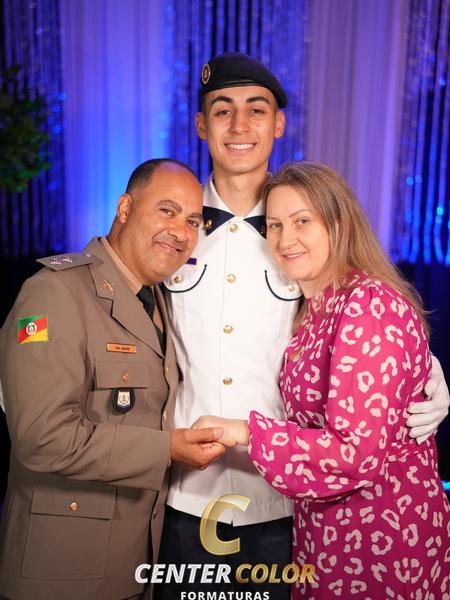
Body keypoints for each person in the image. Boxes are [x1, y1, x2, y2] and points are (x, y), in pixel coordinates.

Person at [156, 53, 450, 598]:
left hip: (290, 506)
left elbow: (368, 323)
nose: (239, 126)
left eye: (256, 110)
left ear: (278, 124)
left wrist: (430, 373)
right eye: (222, 110)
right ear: (200, 125)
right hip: (187, 495)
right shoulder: (171, 225)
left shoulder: (308, 227)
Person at [194, 161, 450, 599]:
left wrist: (244, 431)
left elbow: (355, 454)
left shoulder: (368, 305)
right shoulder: (317, 308)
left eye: (302, 222)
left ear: (338, 224)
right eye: (275, 225)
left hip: (382, 535)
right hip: (328, 532)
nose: (284, 239)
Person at [0, 159, 226, 600]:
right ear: (125, 208)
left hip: (131, 562)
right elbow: (41, 437)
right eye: (167, 210)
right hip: (63, 570)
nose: (180, 231)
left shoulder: (156, 297)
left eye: (192, 220)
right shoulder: (54, 291)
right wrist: (167, 448)